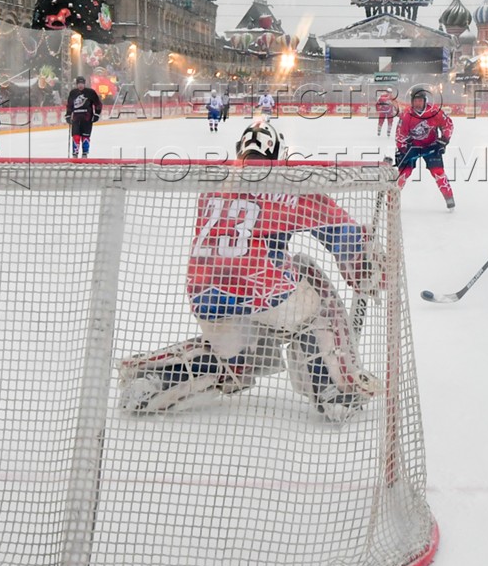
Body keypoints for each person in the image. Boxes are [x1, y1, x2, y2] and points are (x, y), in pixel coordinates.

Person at [116, 120, 379, 422]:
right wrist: (365, 265)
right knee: (313, 299)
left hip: (205, 296)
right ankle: (333, 388)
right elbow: (340, 233)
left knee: (238, 363)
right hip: (260, 292)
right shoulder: (287, 183)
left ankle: (153, 382)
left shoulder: (217, 182)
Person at [394, 87, 456, 208]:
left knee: (438, 172)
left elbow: (448, 124)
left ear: (425, 100)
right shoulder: (406, 115)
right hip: (413, 147)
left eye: (420, 101)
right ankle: (392, 200)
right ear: (412, 101)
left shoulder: (434, 112)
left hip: (431, 146)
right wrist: (402, 149)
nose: (417, 103)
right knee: (403, 173)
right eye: (415, 101)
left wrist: (443, 140)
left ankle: (449, 198)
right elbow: (400, 134)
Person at [66, 79, 102, 157]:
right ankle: (75, 153)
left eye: (82, 83)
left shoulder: (90, 92)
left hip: (87, 118)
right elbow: (69, 105)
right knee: (76, 136)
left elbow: (98, 104)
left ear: (85, 84)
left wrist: (97, 114)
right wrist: (68, 115)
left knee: (86, 136)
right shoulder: (73, 93)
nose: (80, 85)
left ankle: (85, 153)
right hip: (76, 118)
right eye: (79, 83)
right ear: (76, 84)